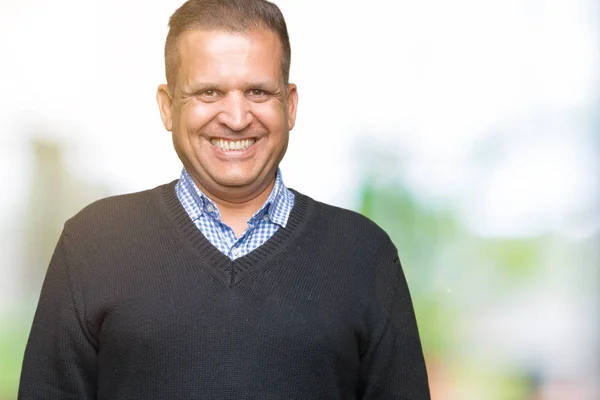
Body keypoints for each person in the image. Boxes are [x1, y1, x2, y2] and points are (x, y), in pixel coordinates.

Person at [18, 0, 430, 398]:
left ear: (289, 105)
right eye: (209, 92)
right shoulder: (94, 244)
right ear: (167, 106)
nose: (235, 118)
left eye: (257, 92)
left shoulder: (364, 255)